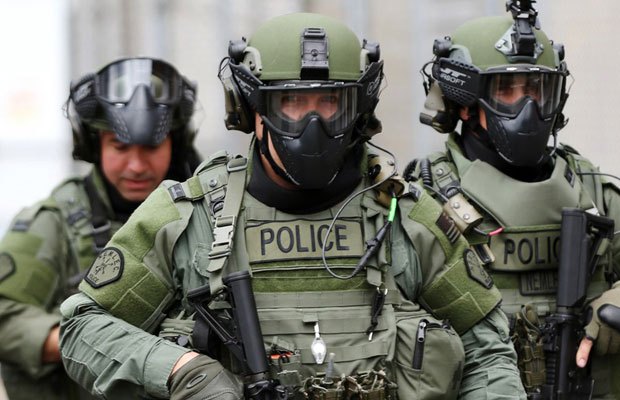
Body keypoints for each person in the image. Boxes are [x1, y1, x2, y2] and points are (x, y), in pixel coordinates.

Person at [59, 13, 525, 399]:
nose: (312, 124)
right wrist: (183, 371)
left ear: (358, 109)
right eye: (292, 103)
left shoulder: (405, 215)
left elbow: (487, 351)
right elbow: (84, 327)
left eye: (331, 103)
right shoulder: (188, 216)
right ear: (253, 109)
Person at [408, 2, 620, 398]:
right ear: (466, 103)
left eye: (537, 90)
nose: (528, 108)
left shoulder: (592, 190)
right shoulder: (423, 197)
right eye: (507, 91)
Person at [0, 57, 201, 400]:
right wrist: (90, 340)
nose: (136, 166)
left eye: (151, 147)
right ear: (94, 145)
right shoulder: (54, 222)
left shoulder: (206, 212)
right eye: (120, 147)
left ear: (175, 143)